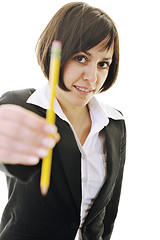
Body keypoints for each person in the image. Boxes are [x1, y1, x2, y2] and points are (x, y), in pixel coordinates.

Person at [0, 2, 126, 240]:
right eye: (81, 58)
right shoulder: (20, 106)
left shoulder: (114, 123)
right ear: (55, 53)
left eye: (103, 64)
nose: (92, 77)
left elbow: (108, 212)